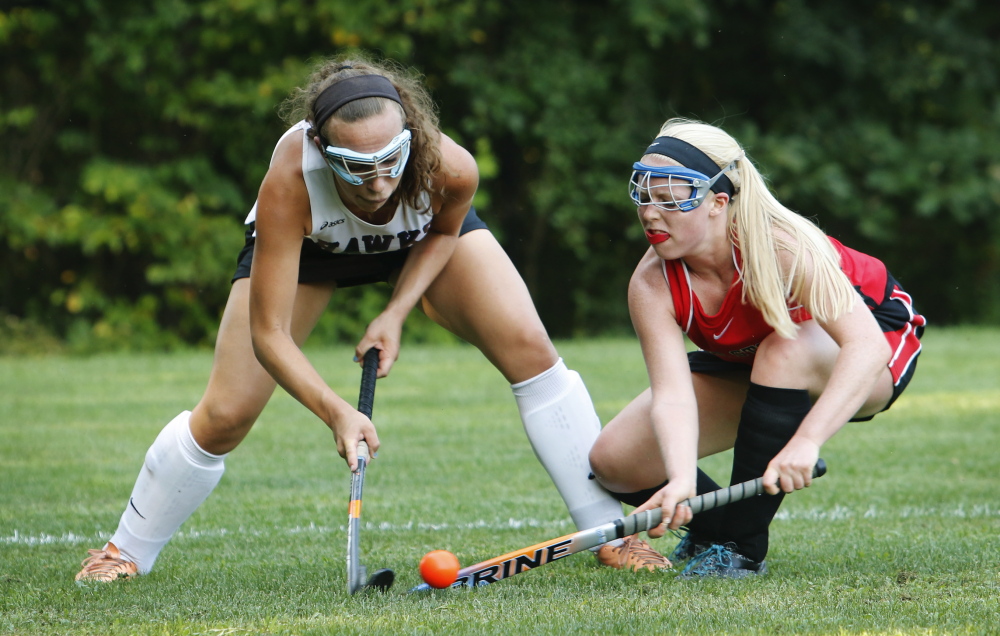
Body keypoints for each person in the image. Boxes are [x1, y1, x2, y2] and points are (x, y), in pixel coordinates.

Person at [74, 54, 669, 583]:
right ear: (322, 149)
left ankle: (612, 534)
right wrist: (337, 411)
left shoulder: (449, 166)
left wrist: (397, 311)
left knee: (529, 348)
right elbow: (268, 335)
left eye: (391, 161)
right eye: (356, 167)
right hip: (315, 252)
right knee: (227, 413)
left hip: (418, 242)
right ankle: (123, 550)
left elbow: (442, 231)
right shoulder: (292, 178)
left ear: (410, 138)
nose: (379, 184)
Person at [588, 118, 925, 578]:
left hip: (873, 340)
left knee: (783, 352)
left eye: (671, 199)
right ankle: (711, 531)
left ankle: (743, 548)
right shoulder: (651, 284)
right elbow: (672, 394)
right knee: (615, 460)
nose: (650, 213)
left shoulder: (782, 246)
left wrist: (808, 441)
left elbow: (864, 346)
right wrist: (682, 478)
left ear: (718, 202)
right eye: (644, 195)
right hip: (754, 357)